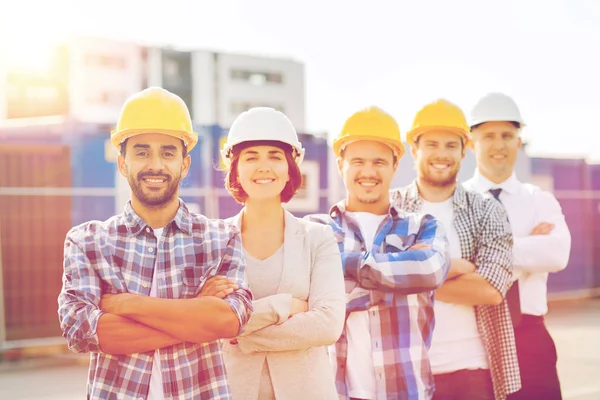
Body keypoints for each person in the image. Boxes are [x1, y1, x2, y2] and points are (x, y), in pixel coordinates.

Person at [57, 87, 254, 399]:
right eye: (142, 152)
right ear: (122, 164)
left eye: (167, 152)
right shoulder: (87, 242)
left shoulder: (220, 238)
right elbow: (83, 331)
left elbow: (229, 321)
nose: (156, 165)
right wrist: (193, 314)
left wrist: (127, 305)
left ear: (184, 164)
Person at [308, 106, 450, 400]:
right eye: (357, 161)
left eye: (379, 162)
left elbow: (429, 271)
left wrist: (341, 267)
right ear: (340, 164)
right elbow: (309, 302)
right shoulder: (314, 230)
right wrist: (399, 281)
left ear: (395, 166)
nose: (368, 172)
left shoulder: (422, 226)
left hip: (407, 392)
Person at [392, 99, 521, 400]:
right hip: (402, 370)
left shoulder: (487, 210)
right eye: (432, 144)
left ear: (464, 151)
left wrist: (407, 275)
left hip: (471, 370)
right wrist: (456, 267)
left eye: (451, 145)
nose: (441, 154)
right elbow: (372, 279)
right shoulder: (390, 208)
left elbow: (490, 290)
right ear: (414, 149)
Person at [216, 107, 345, 399]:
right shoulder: (213, 242)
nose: (264, 166)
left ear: (290, 168)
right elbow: (206, 322)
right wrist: (282, 305)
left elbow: (327, 325)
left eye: (275, 156)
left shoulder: (318, 238)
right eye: (251, 157)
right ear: (235, 168)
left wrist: (239, 336)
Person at [464, 92, 571, 400]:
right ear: (472, 143)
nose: (499, 145)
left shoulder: (539, 200)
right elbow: (451, 260)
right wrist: (527, 248)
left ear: (519, 142)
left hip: (530, 340)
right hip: (472, 337)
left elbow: (557, 253)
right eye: (489, 136)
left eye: (507, 136)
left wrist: (483, 254)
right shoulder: (457, 202)